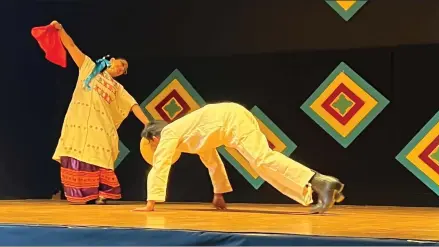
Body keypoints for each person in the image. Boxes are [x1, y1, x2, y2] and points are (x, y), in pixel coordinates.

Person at [135, 102, 345, 214]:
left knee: (263, 159)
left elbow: (160, 164)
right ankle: (322, 187)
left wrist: (150, 203)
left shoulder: (170, 132)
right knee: (261, 165)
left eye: (153, 144)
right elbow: (212, 161)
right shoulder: (186, 135)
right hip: (231, 121)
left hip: (230, 120)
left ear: (154, 138)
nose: (156, 147)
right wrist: (219, 194)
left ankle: (322, 182)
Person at [49, 20, 149, 204]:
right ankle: (80, 195)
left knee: (100, 155)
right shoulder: (89, 67)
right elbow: (71, 46)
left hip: (101, 127)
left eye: (124, 69)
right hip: (79, 119)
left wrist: (147, 123)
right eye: (121, 63)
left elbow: (133, 105)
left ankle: (102, 194)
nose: (121, 68)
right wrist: (61, 30)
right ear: (111, 61)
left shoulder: (117, 88)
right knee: (77, 152)